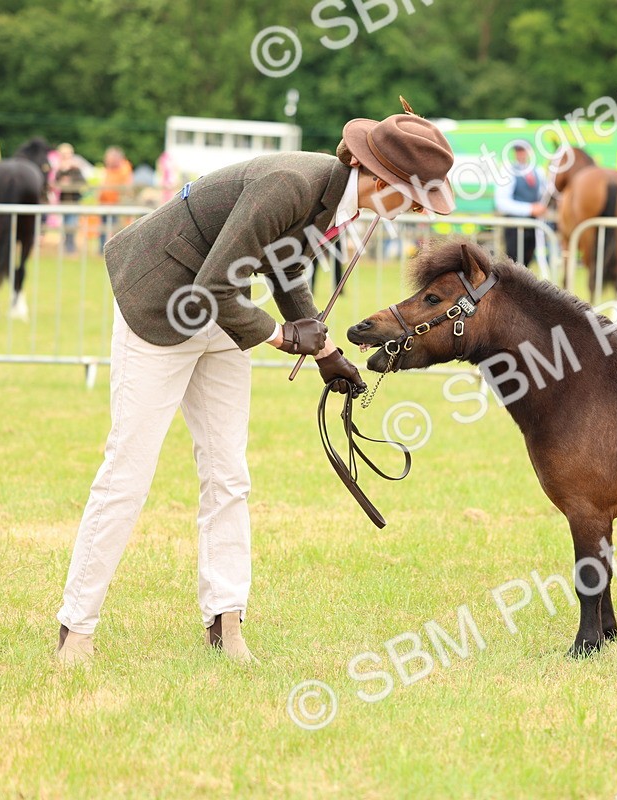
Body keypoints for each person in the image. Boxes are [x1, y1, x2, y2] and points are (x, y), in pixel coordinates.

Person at [54, 102, 456, 666]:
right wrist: (283, 338)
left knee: (228, 473)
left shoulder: (334, 197)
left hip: (221, 311)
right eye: (412, 196)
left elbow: (282, 264)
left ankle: (226, 623)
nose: (413, 209)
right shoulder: (291, 184)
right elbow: (212, 284)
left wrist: (324, 350)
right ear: (378, 176)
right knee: (129, 470)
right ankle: (77, 628)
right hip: (161, 301)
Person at [493, 141, 547, 268]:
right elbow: (501, 202)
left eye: (523, 150)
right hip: (515, 225)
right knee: (514, 264)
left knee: (527, 264)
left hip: (533, 225)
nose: (520, 153)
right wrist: (529, 209)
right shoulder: (508, 171)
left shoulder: (538, 172)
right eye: (518, 150)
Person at [97, 146, 133, 252]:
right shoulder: (108, 169)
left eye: (109, 158)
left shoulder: (124, 169)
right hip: (105, 203)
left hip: (116, 204)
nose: (106, 160)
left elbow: (125, 188)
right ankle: (102, 249)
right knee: (104, 227)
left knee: (115, 228)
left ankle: (113, 250)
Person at [54, 143, 87, 255]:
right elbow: (56, 183)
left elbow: (82, 183)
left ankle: (70, 247)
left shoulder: (75, 169)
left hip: (74, 200)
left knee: (71, 224)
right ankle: (68, 247)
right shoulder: (59, 170)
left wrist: (69, 182)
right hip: (64, 201)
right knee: (66, 224)